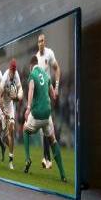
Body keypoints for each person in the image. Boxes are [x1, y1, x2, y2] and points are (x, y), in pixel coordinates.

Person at [23, 55, 66, 181]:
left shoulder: (32, 75)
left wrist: (28, 108)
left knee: (25, 130)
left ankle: (27, 159)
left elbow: (31, 89)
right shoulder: (46, 75)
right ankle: (63, 174)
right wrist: (55, 91)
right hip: (47, 115)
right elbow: (53, 94)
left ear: (31, 65)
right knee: (53, 140)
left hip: (37, 114)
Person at [35, 33, 61, 170]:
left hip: (47, 95)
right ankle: (47, 159)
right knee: (44, 128)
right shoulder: (36, 58)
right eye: (39, 41)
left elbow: (57, 69)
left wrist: (56, 87)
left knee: (46, 126)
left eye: (43, 41)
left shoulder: (49, 53)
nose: (41, 43)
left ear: (45, 42)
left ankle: (48, 159)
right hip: (39, 97)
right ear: (37, 43)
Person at [0, 58, 23, 170]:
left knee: (12, 129)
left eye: (14, 70)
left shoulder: (16, 75)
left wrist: (18, 97)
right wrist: (3, 110)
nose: (13, 72)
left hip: (11, 106)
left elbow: (20, 89)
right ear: (9, 69)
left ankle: (11, 161)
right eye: (12, 70)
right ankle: (7, 143)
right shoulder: (4, 78)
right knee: (5, 136)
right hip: (3, 106)